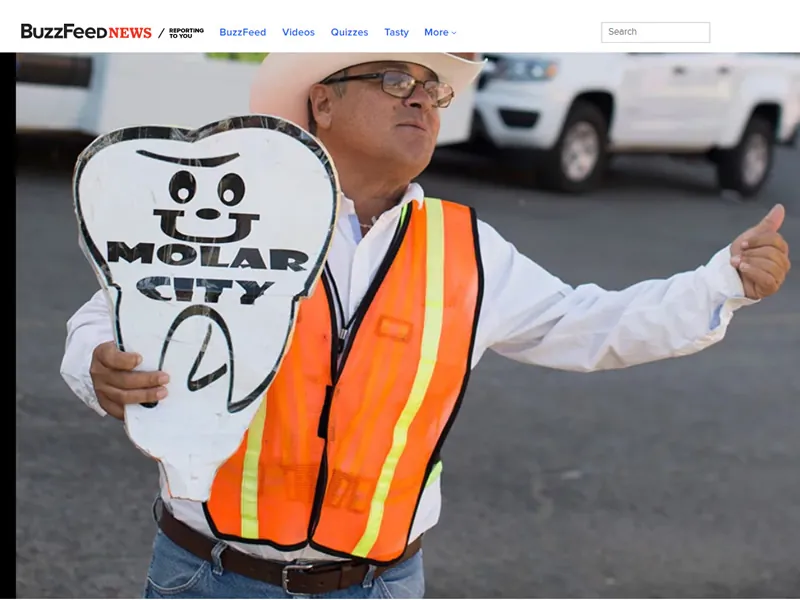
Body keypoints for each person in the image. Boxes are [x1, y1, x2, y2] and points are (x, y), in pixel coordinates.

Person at [60, 52, 791, 599]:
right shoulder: (228, 212)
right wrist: (97, 361)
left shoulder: (466, 248)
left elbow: (589, 324)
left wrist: (719, 282)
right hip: (214, 576)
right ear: (322, 101)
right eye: (395, 82)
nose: (424, 102)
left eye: (434, 90)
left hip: (380, 584)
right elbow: (112, 310)